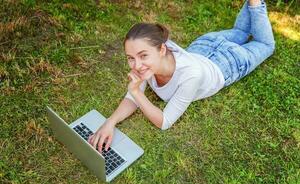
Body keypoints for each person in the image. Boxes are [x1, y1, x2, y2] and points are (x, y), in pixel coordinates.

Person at [88, 0, 275, 153]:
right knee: (241, 32)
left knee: (265, 45)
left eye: (143, 55)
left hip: (229, 62)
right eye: (130, 58)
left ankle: (255, 3)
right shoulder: (152, 56)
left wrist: (137, 93)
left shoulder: (190, 76)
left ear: (162, 49)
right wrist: (109, 123)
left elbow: (165, 122)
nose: (137, 65)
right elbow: (131, 98)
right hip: (204, 45)